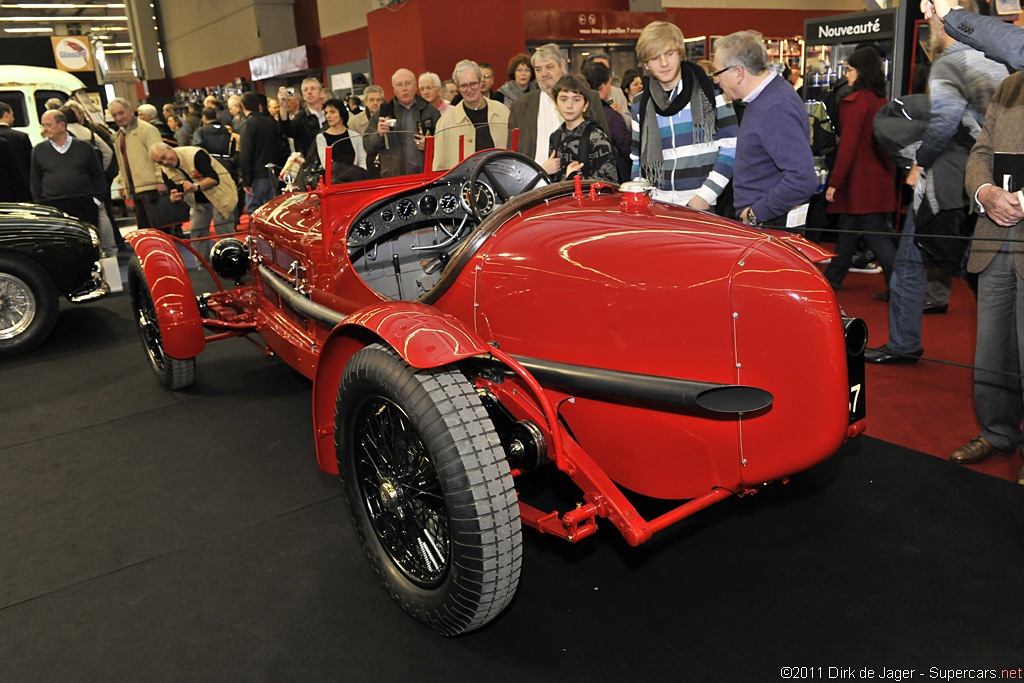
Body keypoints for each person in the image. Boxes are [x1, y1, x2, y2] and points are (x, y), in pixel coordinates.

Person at [868, 0, 1007, 365]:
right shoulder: (990, 59)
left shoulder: (955, 60)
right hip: (977, 182)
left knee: (956, 267)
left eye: (934, 7)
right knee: (957, 266)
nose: (927, 14)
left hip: (953, 184)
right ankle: (904, 342)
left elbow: (947, 125)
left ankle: (904, 343)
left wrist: (920, 161)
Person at [957, 68, 1024, 485]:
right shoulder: (1011, 84)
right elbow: (981, 149)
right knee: (992, 349)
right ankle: (998, 432)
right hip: (993, 236)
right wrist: (984, 193)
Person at [712, 30, 817, 230]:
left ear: (738, 73)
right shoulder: (768, 98)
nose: (716, 80)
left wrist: (756, 214)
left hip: (772, 226)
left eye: (718, 73)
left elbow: (802, 179)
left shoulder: (775, 107)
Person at [631, 21, 738, 209]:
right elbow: (637, 157)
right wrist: (641, 197)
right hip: (656, 205)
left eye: (669, 54)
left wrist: (704, 197)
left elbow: (731, 147)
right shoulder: (640, 103)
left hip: (703, 205)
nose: (664, 63)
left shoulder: (712, 92)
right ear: (646, 64)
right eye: (655, 58)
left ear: (680, 53)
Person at [822, 47, 896, 292]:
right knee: (850, 230)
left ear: (861, 71)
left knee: (873, 234)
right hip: (877, 176)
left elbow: (848, 147)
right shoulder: (880, 100)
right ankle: (833, 278)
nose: (847, 74)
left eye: (850, 69)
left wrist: (835, 182)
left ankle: (899, 288)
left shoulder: (855, 103)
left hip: (859, 180)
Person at [507, 43, 609, 166]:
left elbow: (604, 144)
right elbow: (512, 155)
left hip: (579, 178)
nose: (544, 74)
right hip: (535, 181)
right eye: (538, 69)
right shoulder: (520, 107)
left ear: (562, 65)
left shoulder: (589, 97)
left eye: (549, 67)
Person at [150, 142, 237, 261]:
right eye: (160, 162)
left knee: (224, 232)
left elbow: (213, 179)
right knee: (197, 232)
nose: (165, 163)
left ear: (169, 148)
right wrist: (174, 199)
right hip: (197, 204)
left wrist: (196, 187)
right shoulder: (165, 171)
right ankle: (202, 267)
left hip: (220, 196)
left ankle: (231, 261)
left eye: (164, 158)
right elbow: (174, 192)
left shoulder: (195, 154)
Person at [30, 110, 105, 227]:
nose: (45, 129)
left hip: (84, 207)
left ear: (62, 125)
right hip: (53, 209)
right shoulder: (38, 150)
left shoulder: (85, 147)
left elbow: (98, 176)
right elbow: (35, 181)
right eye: (43, 125)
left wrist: (96, 202)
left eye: (48, 125)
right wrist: (42, 207)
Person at [433, 60, 510, 172]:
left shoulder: (504, 112)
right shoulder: (445, 122)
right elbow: (438, 167)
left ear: (480, 82)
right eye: (464, 85)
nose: (469, 90)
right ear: (458, 88)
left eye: (473, 84)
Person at [541, 74, 618, 184]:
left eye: (576, 100)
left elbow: (610, 181)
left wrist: (574, 178)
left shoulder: (595, 136)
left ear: (585, 105)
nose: (569, 105)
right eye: (564, 99)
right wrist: (545, 171)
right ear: (556, 104)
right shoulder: (556, 136)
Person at [364, 68, 440, 178]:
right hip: (393, 177)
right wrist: (379, 135)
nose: (404, 88)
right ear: (394, 88)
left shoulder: (430, 111)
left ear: (415, 86)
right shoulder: (383, 112)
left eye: (408, 84)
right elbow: (367, 145)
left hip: (425, 176)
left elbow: (444, 143)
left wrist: (430, 145)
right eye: (399, 85)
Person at [109, 97, 165, 230]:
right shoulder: (118, 136)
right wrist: (122, 183)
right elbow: (122, 163)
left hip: (151, 187)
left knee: (159, 231)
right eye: (114, 115)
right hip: (135, 189)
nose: (118, 118)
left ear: (130, 111)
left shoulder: (147, 129)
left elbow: (161, 158)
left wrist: (160, 180)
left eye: (121, 113)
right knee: (145, 230)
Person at [923, 0, 1024, 70]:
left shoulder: (946, 65)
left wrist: (952, 14)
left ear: (940, 29)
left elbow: (1019, 48)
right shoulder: (997, 66)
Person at [581, 61, 630, 182]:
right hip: (608, 179)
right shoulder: (611, 116)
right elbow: (626, 150)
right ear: (603, 86)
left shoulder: (579, 110)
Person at [239, 92, 282, 213]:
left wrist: (246, 180)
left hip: (257, 175)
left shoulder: (248, 124)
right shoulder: (271, 122)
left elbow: (246, 154)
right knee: (273, 209)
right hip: (273, 172)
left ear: (243, 106)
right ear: (260, 106)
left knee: (254, 210)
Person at [315, 98, 367, 184]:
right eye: (326, 112)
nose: (328, 116)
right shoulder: (321, 137)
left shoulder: (355, 136)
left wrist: (360, 176)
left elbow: (362, 162)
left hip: (356, 181)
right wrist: (353, 171)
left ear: (341, 113)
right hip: (335, 183)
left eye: (332, 112)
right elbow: (327, 165)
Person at [277, 77, 327, 161]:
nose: (309, 92)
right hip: (312, 166)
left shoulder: (331, 112)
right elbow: (285, 130)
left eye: (313, 89)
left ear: (321, 93)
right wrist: (283, 107)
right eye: (305, 90)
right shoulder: (300, 117)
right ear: (303, 96)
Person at [0, 102, 32, 201]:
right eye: (12, 115)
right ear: (6, 114)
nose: (13, 118)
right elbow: (30, 164)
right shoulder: (20, 137)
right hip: (16, 192)